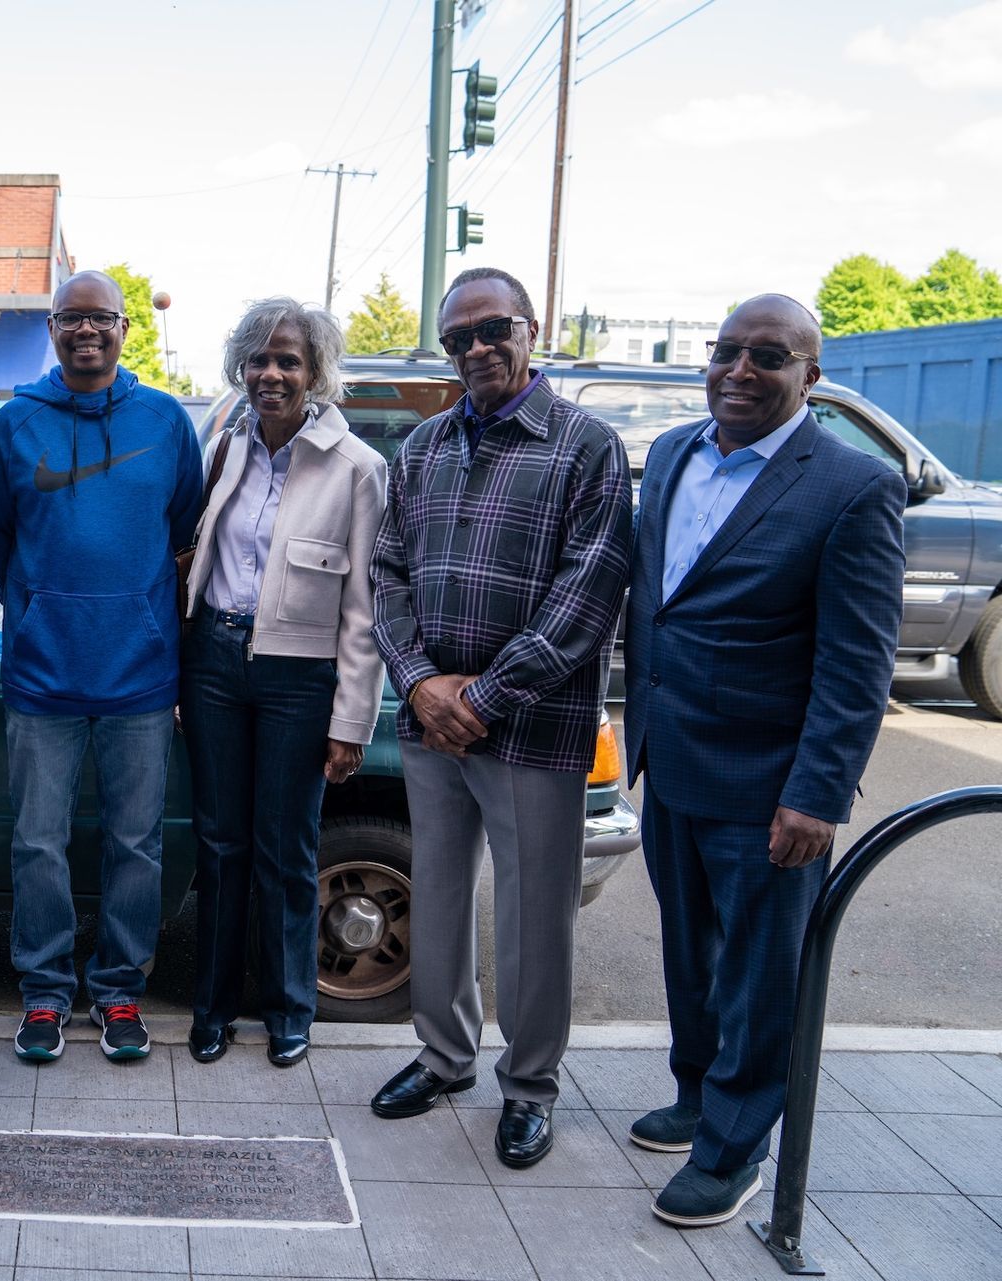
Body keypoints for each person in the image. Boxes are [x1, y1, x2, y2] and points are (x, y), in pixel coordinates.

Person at [624, 295, 904, 1228]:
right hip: (670, 757)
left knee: (758, 968)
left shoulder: (853, 486)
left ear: (810, 378)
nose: (741, 370)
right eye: (728, 351)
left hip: (768, 782)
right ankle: (699, 1092)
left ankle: (736, 1146)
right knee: (689, 949)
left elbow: (856, 661)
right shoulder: (671, 453)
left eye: (770, 357)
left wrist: (816, 792)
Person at [368, 267, 632, 1168]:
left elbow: (587, 592)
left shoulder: (586, 447)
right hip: (432, 720)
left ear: (532, 329)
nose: (476, 349)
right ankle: (445, 1057)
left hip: (533, 726)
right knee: (437, 895)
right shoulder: (423, 448)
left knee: (532, 915)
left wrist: (480, 697)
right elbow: (387, 574)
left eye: (493, 330)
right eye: (457, 338)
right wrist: (419, 683)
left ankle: (528, 1085)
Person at [0, 270, 203, 1063]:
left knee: (135, 843)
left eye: (100, 318)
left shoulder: (167, 421)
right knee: (38, 841)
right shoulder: (14, 427)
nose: (86, 331)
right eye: (71, 318)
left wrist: (140, 617)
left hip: (141, 673)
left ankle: (118, 990)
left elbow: (183, 532)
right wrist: (36, 610)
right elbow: (0, 539)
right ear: (52, 326)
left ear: (123, 328)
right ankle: (43, 995)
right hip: (43, 676)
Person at [178, 298, 387, 1069]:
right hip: (213, 663)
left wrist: (350, 718)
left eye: (288, 361)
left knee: (286, 849)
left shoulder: (359, 468)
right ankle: (214, 1007)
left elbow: (364, 609)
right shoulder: (226, 449)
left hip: (300, 677)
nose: (271, 374)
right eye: (259, 359)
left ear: (316, 372)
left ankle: (290, 1008)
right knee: (219, 844)